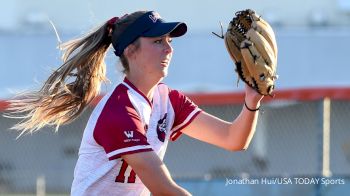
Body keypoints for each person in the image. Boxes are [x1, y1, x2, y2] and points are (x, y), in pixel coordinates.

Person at [6, 10, 263, 196]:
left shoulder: (168, 100)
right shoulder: (119, 109)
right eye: (158, 41)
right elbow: (163, 189)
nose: (169, 49)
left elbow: (233, 138)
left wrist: (252, 101)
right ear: (131, 51)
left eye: (169, 42)